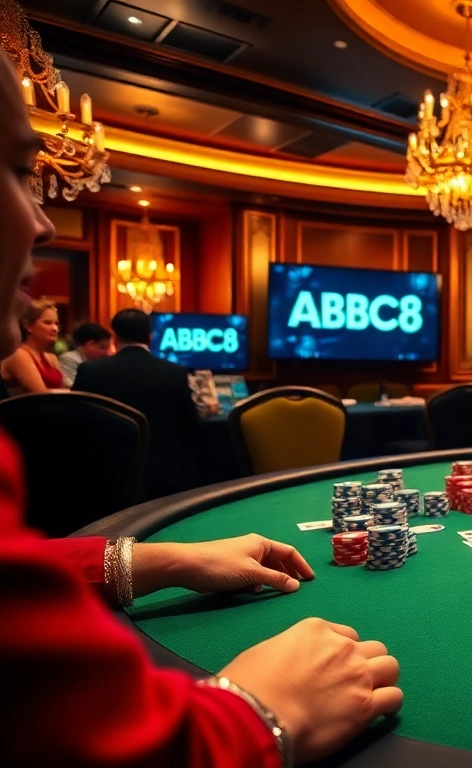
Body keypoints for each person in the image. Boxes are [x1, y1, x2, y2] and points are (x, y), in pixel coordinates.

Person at [0, 58, 400, 766]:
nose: (41, 220)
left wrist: (149, 559)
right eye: (12, 169)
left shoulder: (83, 373)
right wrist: (258, 711)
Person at [72, 309, 205, 499]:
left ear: (115, 336)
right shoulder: (175, 372)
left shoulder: (90, 371)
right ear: (150, 336)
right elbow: (190, 427)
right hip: (164, 479)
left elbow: (78, 424)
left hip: (104, 476)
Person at [0, 298, 64, 394]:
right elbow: (41, 394)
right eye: (47, 323)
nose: (55, 328)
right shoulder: (19, 355)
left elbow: (64, 390)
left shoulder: (52, 357)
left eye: (56, 323)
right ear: (28, 326)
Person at [57, 320, 112, 387]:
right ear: (91, 344)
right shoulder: (68, 359)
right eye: (103, 347)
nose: (106, 352)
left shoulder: (100, 362)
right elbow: (72, 387)